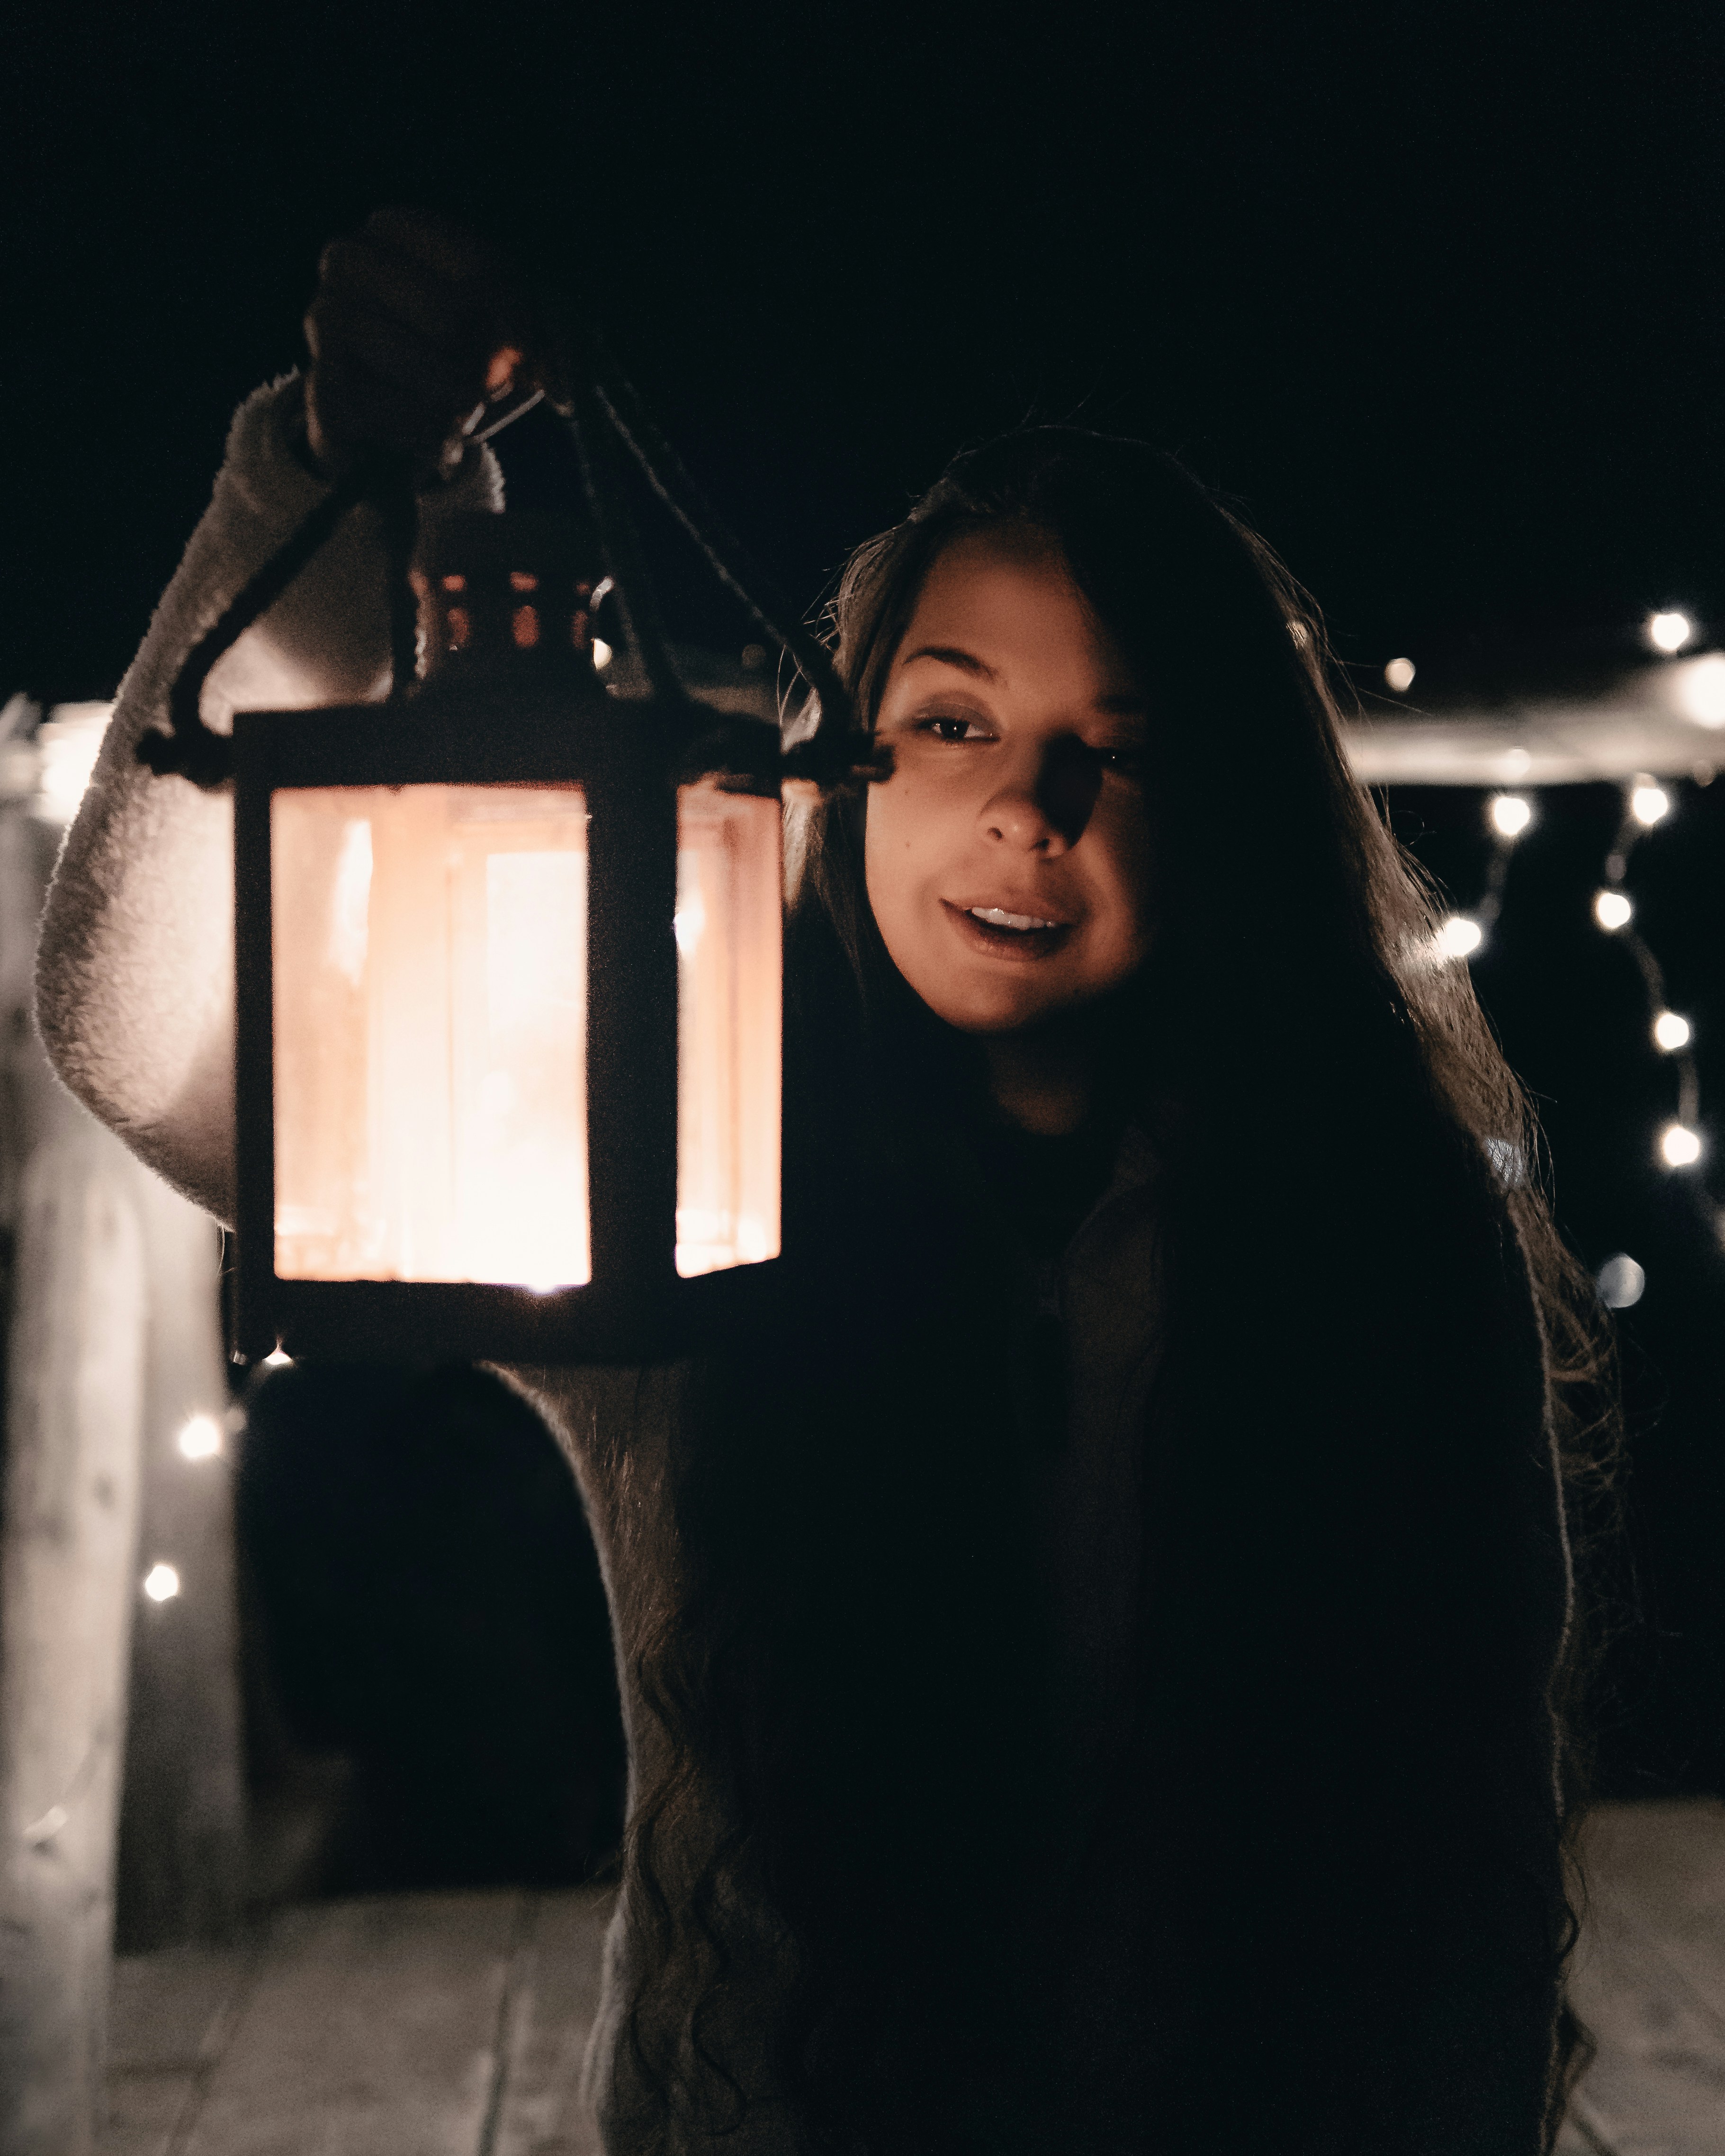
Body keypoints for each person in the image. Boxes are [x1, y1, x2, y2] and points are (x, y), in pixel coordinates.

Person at [36, 211, 1610, 2154]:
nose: (1025, 806)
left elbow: (1467, 1853)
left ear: (1231, 817)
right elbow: (150, 1042)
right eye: (950, 720)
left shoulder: (1377, 1223)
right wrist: (334, 479)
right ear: (845, 752)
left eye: (1120, 749)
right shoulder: (688, 1182)